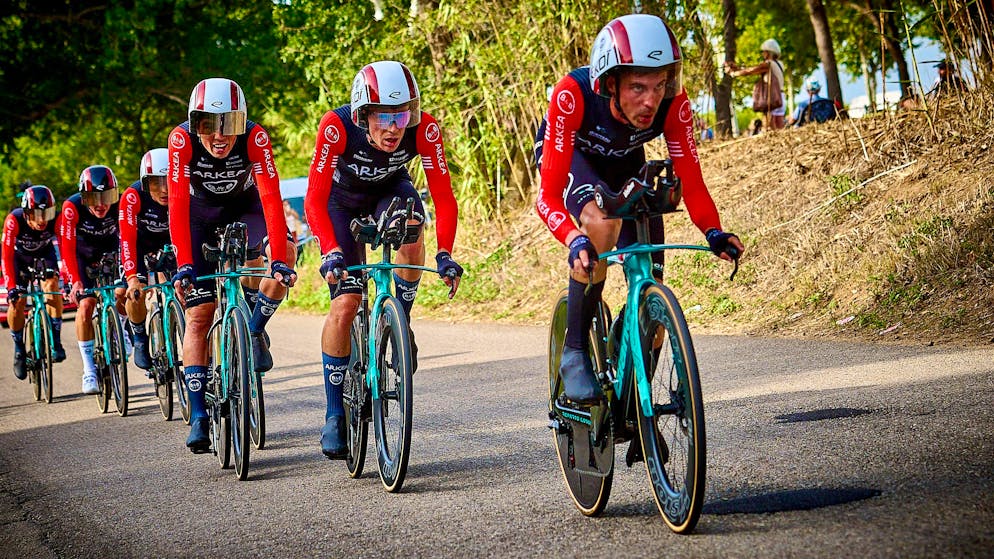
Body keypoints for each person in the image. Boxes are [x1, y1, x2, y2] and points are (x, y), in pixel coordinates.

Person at [535, 14, 744, 404]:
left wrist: (713, 231)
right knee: (602, 224)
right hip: (575, 161)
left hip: (626, 165)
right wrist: (573, 237)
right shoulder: (573, 94)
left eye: (660, 85)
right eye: (637, 87)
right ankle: (575, 350)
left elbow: (691, 179)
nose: (651, 100)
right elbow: (545, 198)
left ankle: (637, 408)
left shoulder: (673, 104)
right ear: (610, 82)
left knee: (654, 287)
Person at [304, 60, 462, 459]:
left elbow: (443, 197)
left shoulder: (423, 129)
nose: (395, 127)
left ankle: (399, 320)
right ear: (363, 115)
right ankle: (335, 411)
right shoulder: (336, 127)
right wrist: (330, 250)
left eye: (402, 114)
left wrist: (445, 253)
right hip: (340, 205)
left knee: (412, 223)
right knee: (345, 303)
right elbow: (314, 199)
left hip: (390, 192)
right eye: (384, 117)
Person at [168, 77, 298, 453]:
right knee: (199, 314)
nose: (220, 135)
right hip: (198, 218)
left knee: (282, 256)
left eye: (229, 124)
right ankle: (197, 416)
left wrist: (277, 257)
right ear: (195, 123)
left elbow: (271, 197)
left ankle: (253, 329)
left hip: (246, 209)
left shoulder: (255, 138)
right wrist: (185, 264)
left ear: (242, 122)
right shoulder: (182, 141)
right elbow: (176, 205)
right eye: (209, 124)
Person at [61, 165, 128, 394]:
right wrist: (75, 280)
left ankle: (123, 329)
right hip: (83, 255)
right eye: (93, 198)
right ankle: (89, 370)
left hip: (112, 249)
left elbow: (129, 236)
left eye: (107, 197)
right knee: (86, 304)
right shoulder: (72, 207)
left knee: (123, 291)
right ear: (83, 197)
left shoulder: (122, 202)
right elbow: (67, 247)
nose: (100, 205)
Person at [3, 185, 66, 380]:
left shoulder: (55, 219)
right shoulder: (14, 220)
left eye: (47, 213)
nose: (42, 219)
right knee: (18, 301)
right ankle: (19, 349)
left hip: (44, 254)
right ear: (27, 213)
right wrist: (12, 287)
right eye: (37, 214)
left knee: (52, 287)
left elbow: (64, 247)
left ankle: (55, 339)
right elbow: (5, 257)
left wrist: (69, 276)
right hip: (19, 259)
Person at [119, 148, 171, 373]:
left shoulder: (186, 189)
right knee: (135, 293)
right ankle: (139, 337)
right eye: (155, 183)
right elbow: (127, 240)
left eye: (169, 181)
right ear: (144, 182)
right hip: (138, 246)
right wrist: (132, 278)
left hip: (170, 243)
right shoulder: (132, 196)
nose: (164, 189)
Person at [726, 39, 785, 130]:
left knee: (770, 126)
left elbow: (751, 71)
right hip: (781, 97)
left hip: (773, 98)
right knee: (780, 125)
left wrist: (734, 73)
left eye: (764, 52)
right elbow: (755, 68)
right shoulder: (780, 64)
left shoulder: (768, 64)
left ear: (769, 52)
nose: (763, 54)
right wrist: (738, 67)